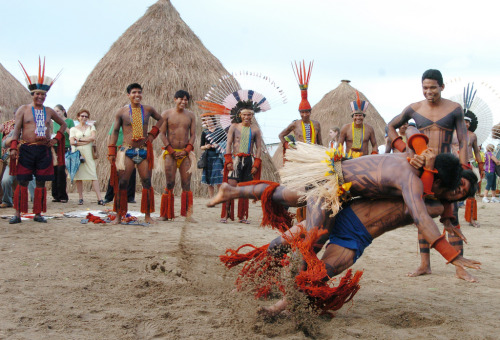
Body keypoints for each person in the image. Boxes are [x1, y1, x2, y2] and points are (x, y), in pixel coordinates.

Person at [387, 69, 471, 280]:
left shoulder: (454, 109)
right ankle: (425, 264)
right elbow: (391, 126)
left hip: (447, 170)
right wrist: (402, 148)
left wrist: (463, 167)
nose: (429, 91)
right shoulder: (414, 108)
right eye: (425, 87)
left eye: (433, 87)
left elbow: (462, 140)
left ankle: (460, 267)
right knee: (422, 215)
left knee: (451, 216)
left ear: (442, 87)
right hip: (423, 170)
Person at [9, 58, 67, 224]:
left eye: (43, 94)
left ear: (45, 96)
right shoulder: (23, 110)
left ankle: (38, 213)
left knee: (41, 182)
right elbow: (16, 130)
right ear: (32, 95)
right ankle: (17, 214)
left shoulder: (49, 111)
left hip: (43, 150)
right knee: (22, 181)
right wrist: (14, 147)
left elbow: (62, 124)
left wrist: (56, 138)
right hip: (27, 149)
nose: (40, 96)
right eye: (37, 94)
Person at [108, 83, 164, 225]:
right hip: (127, 151)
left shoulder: (148, 109)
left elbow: (161, 119)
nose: (137, 95)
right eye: (133, 92)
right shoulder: (121, 112)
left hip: (144, 150)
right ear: (128, 95)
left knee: (146, 182)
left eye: (139, 92)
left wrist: (152, 135)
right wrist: (111, 151)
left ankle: (147, 216)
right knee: (123, 183)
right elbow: (114, 131)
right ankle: (119, 216)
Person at [278, 60, 321, 221]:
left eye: (307, 112)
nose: (304, 114)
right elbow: (281, 135)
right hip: (299, 156)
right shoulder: (295, 124)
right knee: (294, 183)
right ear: (299, 112)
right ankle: (285, 210)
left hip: (312, 158)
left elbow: (320, 142)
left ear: (310, 111)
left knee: (312, 184)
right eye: (302, 112)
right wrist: (289, 145)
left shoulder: (316, 124)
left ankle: (309, 212)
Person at [221, 104, 264, 224]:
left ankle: (242, 216)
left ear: (252, 116)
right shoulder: (234, 127)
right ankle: (225, 214)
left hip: (248, 160)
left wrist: (256, 164)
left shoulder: (255, 129)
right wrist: (229, 160)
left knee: (245, 190)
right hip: (235, 160)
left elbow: (259, 147)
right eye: (244, 114)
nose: (246, 117)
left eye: (249, 114)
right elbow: (228, 144)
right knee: (231, 186)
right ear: (240, 115)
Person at [158, 90, 196, 222]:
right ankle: (165, 213)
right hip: (170, 153)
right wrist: (171, 150)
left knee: (186, 183)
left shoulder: (191, 115)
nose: (183, 102)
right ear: (175, 99)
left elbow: (193, 135)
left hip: (185, 153)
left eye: (186, 100)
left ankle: (187, 214)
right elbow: (162, 133)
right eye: (181, 99)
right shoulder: (166, 114)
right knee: (170, 182)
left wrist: (186, 150)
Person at [69, 109, 103, 205]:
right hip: (77, 153)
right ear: (78, 117)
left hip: (88, 154)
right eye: (82, 116)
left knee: (93, 174)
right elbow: (72, 142)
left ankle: (99, 198)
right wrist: (85, 141)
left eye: (86, 116)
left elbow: (93, 138)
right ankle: (80, 198)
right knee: (78, 176)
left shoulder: (91, 127)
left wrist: (79, 139)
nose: (84, 118)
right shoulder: (73, 129)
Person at [103, 122, 136, 204]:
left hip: (130, 149)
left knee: (132, 172)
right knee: (115, 173)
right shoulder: (116, 123)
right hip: (118, 150)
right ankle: (109, 196)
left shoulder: (135, 123)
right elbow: (110, 136)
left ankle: (130, 197)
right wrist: (110, 151)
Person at [51, 104, 75, 203]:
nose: (56, 113)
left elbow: (73, 134)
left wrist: (64, 127)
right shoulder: (53, 123)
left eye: (58, 111)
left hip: (65, 148)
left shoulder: (69, 121)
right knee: (54, 171)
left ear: (63, 111)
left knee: (61, 170)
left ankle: (63, 195)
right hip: (55, 147)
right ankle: (55, 195)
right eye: (55, 111)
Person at [200, 117, 224, 198]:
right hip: (208, 157)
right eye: (206, 120)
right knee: (209, 179)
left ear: (213, 120)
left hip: (218, 156)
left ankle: (220, 198)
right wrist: (206, 146)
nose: (208, 121)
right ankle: (211, 199)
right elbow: (201, 146)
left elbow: (226, 143)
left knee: (219, 178)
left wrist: (218, 145)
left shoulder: (220, 131)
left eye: (209, 119)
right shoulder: (205, 132)